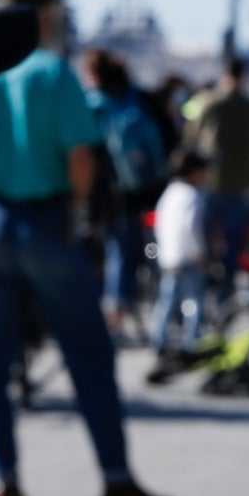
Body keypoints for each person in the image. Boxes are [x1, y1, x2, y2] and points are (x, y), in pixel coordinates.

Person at [0, 0, 175, 496]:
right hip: (45, 222)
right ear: (37, 18)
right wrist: (81, 211)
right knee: (88, 354)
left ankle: (5, 479)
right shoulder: (50, 71)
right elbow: (82, 156)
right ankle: (115, 478)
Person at [82, 49, 168, 330]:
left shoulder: (95, 105)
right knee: (153, 245)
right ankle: (161, 300)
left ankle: (115, 314)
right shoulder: (140, 97)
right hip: (153, 187)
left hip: (115, 193)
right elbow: (170, 135)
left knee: (118, 252)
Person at [183, 54, 249, 303]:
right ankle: (225, 297)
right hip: (239, 184)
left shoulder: (207, 102)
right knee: (232, 247)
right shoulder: (246, 105)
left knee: (201, 244)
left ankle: (199, 298)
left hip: (209, 182)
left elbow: (190, 137)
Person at [148, 149, 209, 358]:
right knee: (193, 300)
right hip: (188, 257)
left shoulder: (169, 193)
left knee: (167, 299)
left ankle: (159, 339)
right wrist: (200, 252)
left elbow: (158, 224)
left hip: (168, 255)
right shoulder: (192, 196)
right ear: (194, 172)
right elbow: (191, 227)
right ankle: (192, 341)